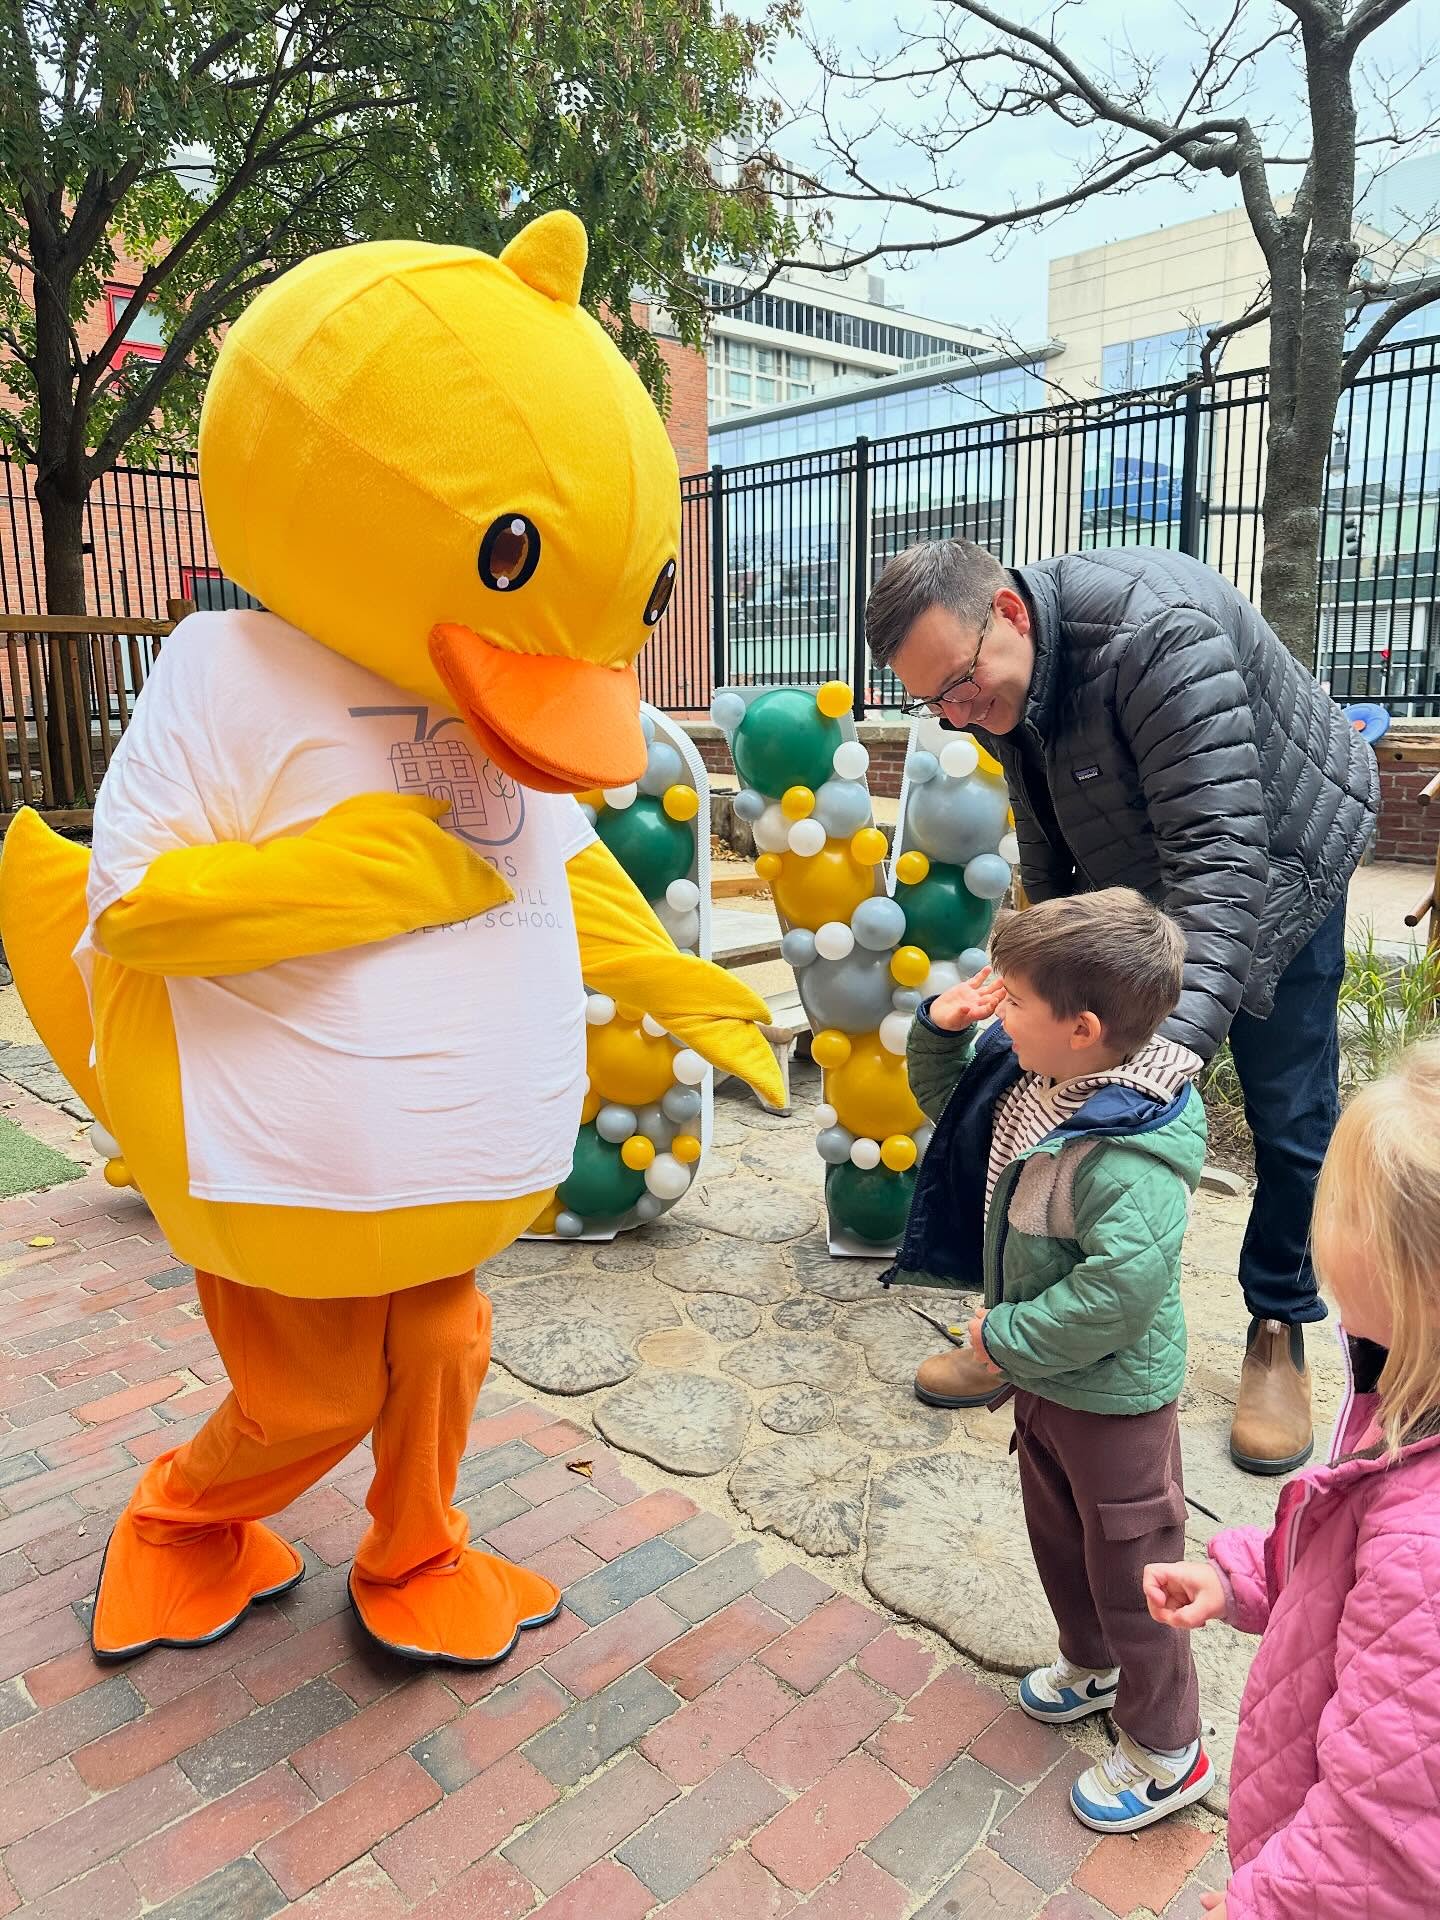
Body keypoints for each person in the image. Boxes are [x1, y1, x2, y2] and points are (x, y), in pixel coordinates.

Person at [866, 538, 1378, 1474]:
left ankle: (1277, 1324)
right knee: (1063, 1075)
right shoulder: (995, 684)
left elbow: (1222, 864)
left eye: (961, 686)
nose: (957, 715)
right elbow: (1047, 838)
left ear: (1008, 613)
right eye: (933, 701)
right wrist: (1050, 980)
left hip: (1281, 856)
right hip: (1148, 857)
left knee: (1286, 1107)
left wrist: (1163, 1054)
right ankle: (1030, 1324)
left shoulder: (1158, 636)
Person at [891, 890, 1213, 1831]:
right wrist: (941, 1031)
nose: (999, 1012)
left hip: (1113, 1400)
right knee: (1059, 1540)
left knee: (1136, 1574)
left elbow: (1119, 1294)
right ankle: (1092, 1662)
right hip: (1047, 1383)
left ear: (1082, 1028)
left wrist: (1004, 1338)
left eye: (1015, 999)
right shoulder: (1036, 1081)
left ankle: (1168, 1749)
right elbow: (954, 1110)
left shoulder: (1128, 1154)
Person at [1144, 1041, 1440, 1916]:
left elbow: (1387, 1831)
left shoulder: (1424, 1548)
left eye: (1342, 1205)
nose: (1316, 1217)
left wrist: (1267, 1906)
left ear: (1415, 1277)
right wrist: (1245, 1574)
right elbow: (1344, 1559)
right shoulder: (1405, 1384)